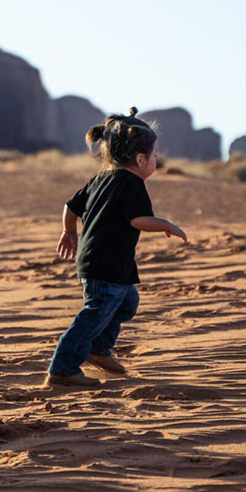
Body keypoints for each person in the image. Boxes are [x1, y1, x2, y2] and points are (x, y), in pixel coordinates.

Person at [48, 108, 187, 388]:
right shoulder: (131, 183)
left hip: (103, 262)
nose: (156, 160)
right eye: (155, 155)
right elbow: (138, 220)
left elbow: (70, 207)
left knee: (126, 302)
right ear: (140, 159)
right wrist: (166, 224)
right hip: (106, 264)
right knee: (96, 312)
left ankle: (98, 349)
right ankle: (62, 368)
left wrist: (68, 232)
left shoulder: (101, 178)